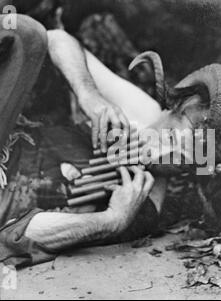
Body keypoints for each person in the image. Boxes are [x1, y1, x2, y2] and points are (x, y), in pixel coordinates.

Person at [0, 14, 166, 268]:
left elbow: (17, 236)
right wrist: (89, 94)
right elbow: (53, 39)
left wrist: (114, 219)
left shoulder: (146, 193)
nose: (177, 148)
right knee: (26, 32)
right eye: (183, 134)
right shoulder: (144, 119)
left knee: (27, 32)